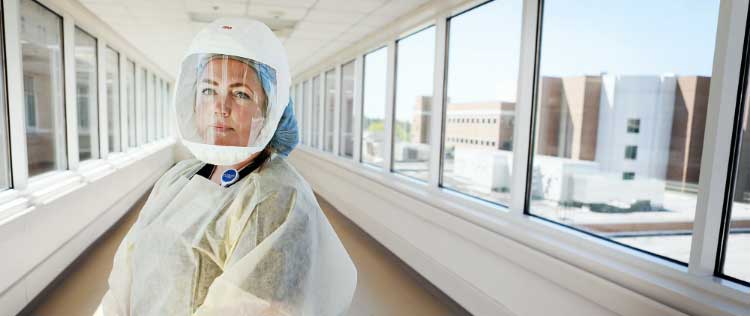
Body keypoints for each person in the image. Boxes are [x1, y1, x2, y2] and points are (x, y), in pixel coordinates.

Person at [100, 18, 357, 316]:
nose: (221, 108)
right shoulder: (178, 178)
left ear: (270, 109)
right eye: (209, 90)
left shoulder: (276, 199)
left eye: (240, 93)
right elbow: (127, 273)